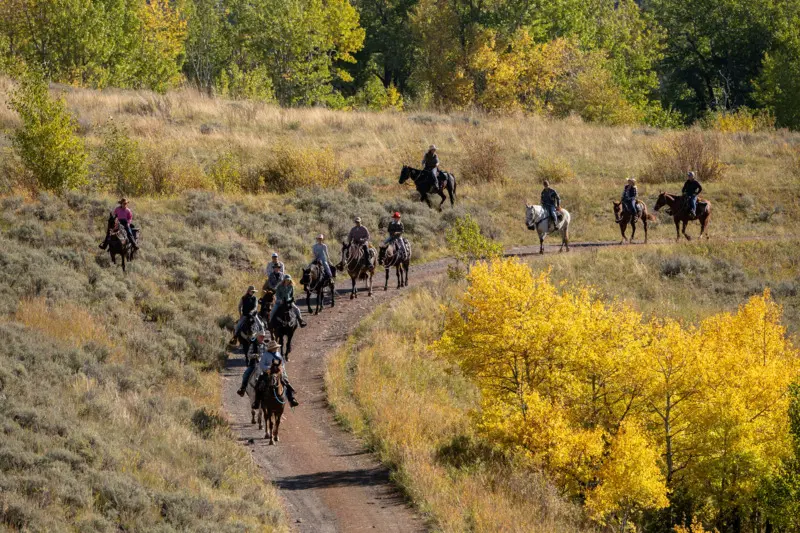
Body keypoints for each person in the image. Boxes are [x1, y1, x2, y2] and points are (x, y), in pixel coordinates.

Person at [238, 337, 298, 407]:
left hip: (278, 372)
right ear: (271, 348)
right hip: (268, 372)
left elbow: (283, 364)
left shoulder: (278, 354)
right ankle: (257, 401)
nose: (275, 349)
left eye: (276, 347)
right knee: (259, 384)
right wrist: (268, 369)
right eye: (274, 347)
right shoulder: (266, 355)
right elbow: (262, 364)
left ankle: (291, 399)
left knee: (286, 383)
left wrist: (281, 369)